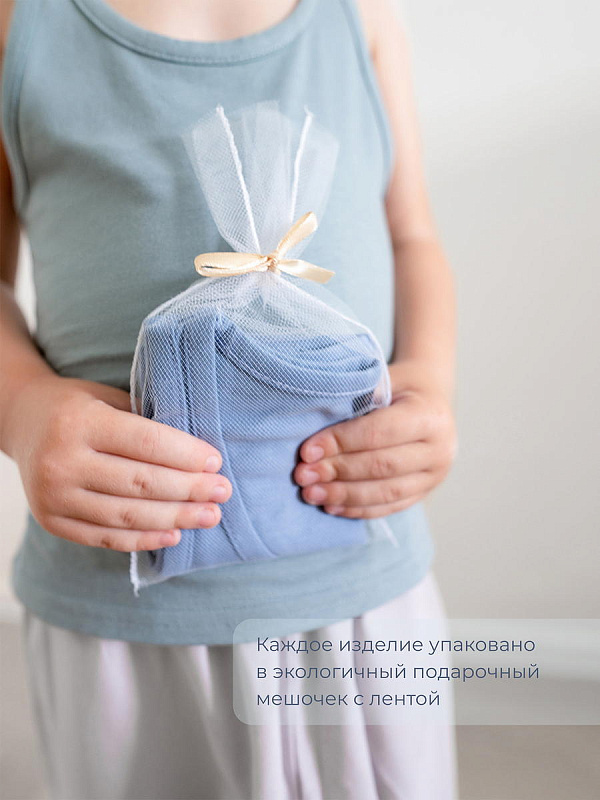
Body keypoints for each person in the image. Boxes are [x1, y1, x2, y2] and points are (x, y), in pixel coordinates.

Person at [0, 0, 457, 797]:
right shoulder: (18, 22)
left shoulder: (361, 15)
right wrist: (20, 405)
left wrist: (429, 379)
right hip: (118, 612)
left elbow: (412, 234)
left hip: (362, 596)